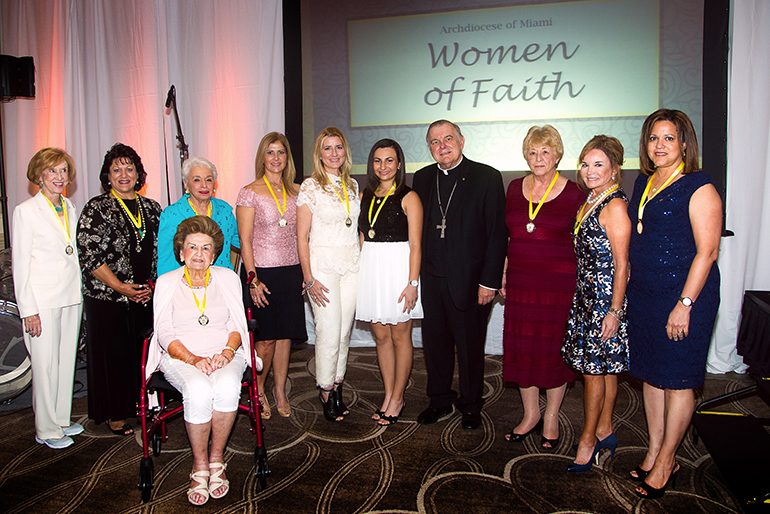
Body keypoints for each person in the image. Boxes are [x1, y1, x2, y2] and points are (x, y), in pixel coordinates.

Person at [626, 109, 721, 499]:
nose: (660, 145)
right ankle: (653, 451)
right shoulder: (643, 183)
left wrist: (684, 303)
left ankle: (668, 461)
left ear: (684, 143)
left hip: (684, 296)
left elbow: (708, 252)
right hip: (645, 296)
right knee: (651, 375)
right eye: (653, 138)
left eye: (668, 138)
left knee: (678, 380)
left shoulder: (699, 186)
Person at [146, 216, 261, 506]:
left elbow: (237, 325)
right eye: (192, 247)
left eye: (206, 248)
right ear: (181, 251)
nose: (199, 254)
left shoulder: (227, 278)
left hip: (225, 353)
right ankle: (199, 466)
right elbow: (164, 333)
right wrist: (193, 359)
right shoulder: (167, 282)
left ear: (215, 253)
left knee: (227, 385)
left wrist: (226, 352)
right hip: (180, 356)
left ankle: (216, 459)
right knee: (198, 391)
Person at [412, 120, 507, 430]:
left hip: (470, 280)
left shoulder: (487, 177)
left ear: (462, 141)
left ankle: (470, 405)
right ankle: (439, 400)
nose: (442, 146)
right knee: (435, 345)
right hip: (432, 279)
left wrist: (489, 282)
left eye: (448, 138)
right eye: (434, 142)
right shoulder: (423, 178)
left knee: (469, 348)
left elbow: (496, 234)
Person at [501, 125, 585, 447]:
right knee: (523, 348)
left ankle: (551, 417)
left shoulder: (575, 193)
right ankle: (530, 414)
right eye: (533, 152)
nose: (539, 158)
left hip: (557, 286)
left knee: (552, 350)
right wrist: (504, 272)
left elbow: (582, 242)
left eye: (545, 152)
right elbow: (509, 236)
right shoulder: (513, 188)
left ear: (557, 155)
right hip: (521, 281)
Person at [77, 143, 162, 436]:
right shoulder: (96, 208)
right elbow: (89, 255)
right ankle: (115, 412)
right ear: (108, 176)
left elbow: (161, 254)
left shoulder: (152, 207)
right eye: (117, 169)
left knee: (141, 353)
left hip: (144, 295)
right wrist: (120, 286)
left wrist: (151, 286)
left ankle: (144, 405)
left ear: (139, 174)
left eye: (129, 168)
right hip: (108, 297)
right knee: (114, 354)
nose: (124, 174)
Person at [561, 136, 631, 471]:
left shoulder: (614, 206)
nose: (590, 170)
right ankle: (605, 429)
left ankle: (588, 439)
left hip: (604, 299)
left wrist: (614, 311)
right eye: (586, 164)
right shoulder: (592, 199)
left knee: (593, 373)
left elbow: (622, 264)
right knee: (605, 371)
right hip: (587, 295)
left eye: (598, 164)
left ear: (615, 169)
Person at [12, 148, 84, 449]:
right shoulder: (25, 211)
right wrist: (28, 310)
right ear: (39, 176)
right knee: (44, 365)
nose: (59, 177)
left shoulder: (69, 206)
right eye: (52, 171)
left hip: (71, 294)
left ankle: (61, 418)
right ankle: (45, 428)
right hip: (42, 300)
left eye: (63, 170)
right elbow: (20, 265)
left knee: (66, 361)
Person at [236, 132, 307, 419]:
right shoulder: (249, 191)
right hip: (261, 273)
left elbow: (303, 235)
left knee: (285, 337)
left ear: (287, 157)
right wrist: (252, 279)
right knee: (264, 340)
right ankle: (259, 390)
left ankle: (280, 391)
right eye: (270, 152)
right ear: (262, 157)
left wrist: (306, 272)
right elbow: (245, 241)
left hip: (291, 272)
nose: (276, 158)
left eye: (281, 152)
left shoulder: (298, 191)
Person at [355, 139, 423, 426]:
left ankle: (398, 397)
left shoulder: (410, 197)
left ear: (399, 164)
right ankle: (387, 393)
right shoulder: (365, 195)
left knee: (399, 337)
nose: (383, 166)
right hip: (371, 269)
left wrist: (412, 283)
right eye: (378, 160)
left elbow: (417, 245)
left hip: (398, 270)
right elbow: (361, 236)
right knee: (381, 337)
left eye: (389, 160)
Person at [297, 127, 361, 422]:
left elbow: (353, 227)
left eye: (338, 147)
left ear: (345, 151)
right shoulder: (310, 186)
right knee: (328, 330)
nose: (334, 153)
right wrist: (308, 277)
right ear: (319, 154)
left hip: (351, 266)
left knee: (345, 330)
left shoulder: (353, 185)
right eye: (327, 148)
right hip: (322, 267)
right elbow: (301, 237)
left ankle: (337, 384)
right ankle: (324, 388)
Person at [157, 157, 239, 275]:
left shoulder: (224, 211)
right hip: (186, 285)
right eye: (197, 180)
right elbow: (165, 259)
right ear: (186, 184)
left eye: (209, 180)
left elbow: (242, 241)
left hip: (221, 281)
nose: (204, 185)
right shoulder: (171, 215)